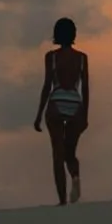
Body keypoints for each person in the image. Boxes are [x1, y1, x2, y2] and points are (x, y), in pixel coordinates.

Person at [33, 16, 89, 205]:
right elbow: (86, 88)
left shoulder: (52, 57)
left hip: (57, 102)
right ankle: (75, 176)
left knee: (57, 154)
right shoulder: (82, 58)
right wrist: (85, 114)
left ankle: (62, 200)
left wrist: (39, 114)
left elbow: (47, 85)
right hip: (75, 103)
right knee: (70, 153)